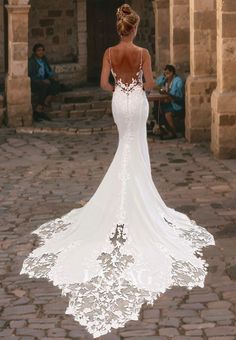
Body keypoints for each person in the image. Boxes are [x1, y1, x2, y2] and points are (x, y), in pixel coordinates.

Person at [20, 4, 215, 338]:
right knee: (135, 147)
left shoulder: (110, 51)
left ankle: (119, 200)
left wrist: (120, 90)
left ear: (118, 28)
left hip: (119, 104)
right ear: (134, 29)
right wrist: (136, 87)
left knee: (124, 145)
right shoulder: (142, 52)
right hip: (137, 101)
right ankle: (137, 197)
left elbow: (103, 84)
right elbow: (151, 82)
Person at [29, 43, 60, 122]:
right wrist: (42, 80)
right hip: (35, 82)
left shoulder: (44, 59)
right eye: (39, 50)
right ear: (35, 52)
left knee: (56, 84)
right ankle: (38, 111)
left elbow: (48, 71)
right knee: (44, 86)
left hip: (44, 80)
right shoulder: (31, 61)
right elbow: (31, 75)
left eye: (42, 50)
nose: (41, 52)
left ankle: (42, 105)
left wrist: (53, 75)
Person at [155, 64, 185, 139]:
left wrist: (168, 94)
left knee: (167, 113)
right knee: (158, 108)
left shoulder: (178, 81)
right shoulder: (166, 80)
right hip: (170, 102)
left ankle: (173, 132)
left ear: (172, 73)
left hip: (177, 104)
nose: (166, 75)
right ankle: (166, 128)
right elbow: (157, 84)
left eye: (168, 73)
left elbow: (178, 96)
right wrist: (163, 78)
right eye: (165, 73)